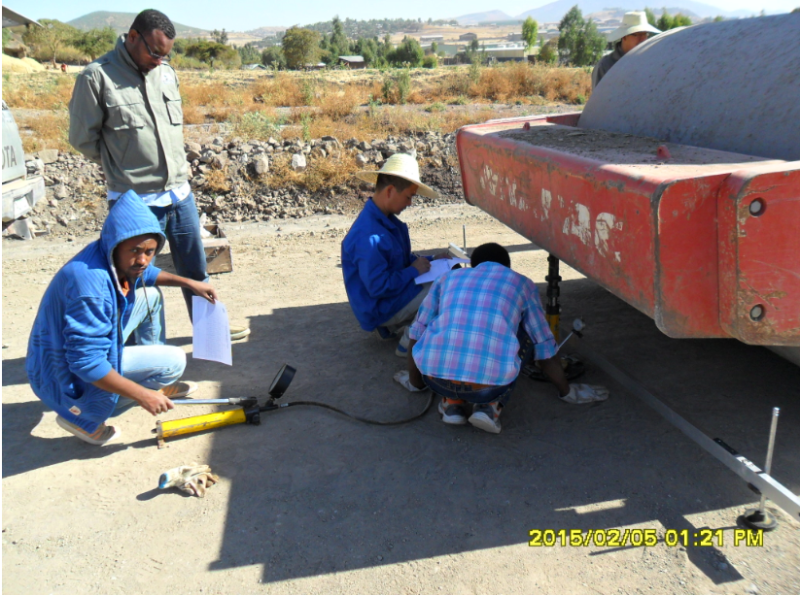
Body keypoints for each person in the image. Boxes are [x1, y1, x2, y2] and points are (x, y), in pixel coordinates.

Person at [67, 9, 247, 339]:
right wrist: (119, 166)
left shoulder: (165, 74)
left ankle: (210, 336)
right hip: (134, 202)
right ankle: (153, 355)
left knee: (196, 268)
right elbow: (82, 139)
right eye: (154, 52)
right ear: (133, 37)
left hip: (179, 193)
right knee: (139, 276)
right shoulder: (96, 77)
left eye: (166, 55)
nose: (160, 61)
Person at [26, 191, 219, 446]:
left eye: (150, 251)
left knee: (150, 295)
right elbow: (85, 363)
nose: (143, 259)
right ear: (116, 244)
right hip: (62, 375)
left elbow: (146, 273)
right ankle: (82, 417)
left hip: (71, 350)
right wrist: (142, 395)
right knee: (174, 362)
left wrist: (189, 282)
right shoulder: (91, 289)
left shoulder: (108, 255)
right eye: (135, 251)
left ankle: (147, 374)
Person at [394, 243, 609, 434]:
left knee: (444, 324)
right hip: (488, 389)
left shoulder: (448, 278)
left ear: (473, 264)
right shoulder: (522, 283)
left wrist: (415, 383)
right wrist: (567, 390)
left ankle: (453, 405)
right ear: (507, 267)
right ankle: (490, 408)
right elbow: (544, 347)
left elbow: (417, 333)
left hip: (435, 380)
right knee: (525, 332)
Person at [342, 153, 445, 357]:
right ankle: (408, 340)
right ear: (390, 191)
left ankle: (388, 327)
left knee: (436, 278)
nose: (410, 203)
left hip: (383, 300)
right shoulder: (369, 236)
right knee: (442, 288)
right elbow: (379, 286)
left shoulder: (386, 222)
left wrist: (432, 260)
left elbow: (402, 262)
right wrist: (413, 271)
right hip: (378, 307)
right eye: (409, 196)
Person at [592, 11, 661, 89]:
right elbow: (599, 99)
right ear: (624, 36)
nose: (643, 39)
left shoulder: (651, 63)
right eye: (638, 34)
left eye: (645, 34)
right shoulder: (605, 66)